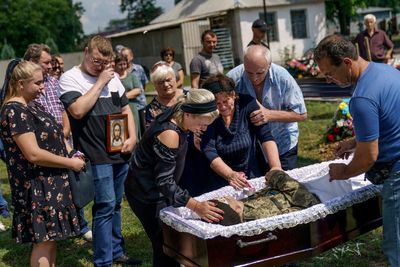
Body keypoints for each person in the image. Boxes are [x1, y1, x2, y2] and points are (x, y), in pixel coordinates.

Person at [314, 34, 400, 267]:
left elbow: (367, 158)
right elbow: (390, 118)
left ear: (347, 63)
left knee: (396, 244)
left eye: (330, 73)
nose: (329, 80)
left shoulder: (362, 98)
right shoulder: (386, 72)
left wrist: (342, 172)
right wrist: (356, 140)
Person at [59, 35, 140, 267]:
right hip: (95, 154)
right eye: (96, 61)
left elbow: (125, 109)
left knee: (115, 204)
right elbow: (77, 111)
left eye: (105, 63)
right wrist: (100, 82)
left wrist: (133, 137)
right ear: (86, 52)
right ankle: (103, 261)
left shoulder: (114, 79)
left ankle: (116, 251)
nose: (100, 67)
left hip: (120, 152)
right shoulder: (70, 78)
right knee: (104, 206)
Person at [124, 89, 224, 267]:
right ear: (188, 114)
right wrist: (196, 206)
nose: (204, 128)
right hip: (146, 193)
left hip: (155, 189)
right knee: (166, 247)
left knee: (172, 245)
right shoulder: (170, 134)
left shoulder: (179, 114)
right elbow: (164, 182)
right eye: (202, 123)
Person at [0, 60, 85, 266]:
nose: (43, 87)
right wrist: (69, 163)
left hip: (51, 184)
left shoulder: (31, 105)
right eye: (37, 83)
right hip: (37, 187)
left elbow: (55, 134)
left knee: (50, 239)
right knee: (44, 242)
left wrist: (71, 151)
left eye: (43, 82)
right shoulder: (15, 111)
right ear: (20, 84)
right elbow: (33, 154)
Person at [196, 74, 281, 193]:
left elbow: (265, 136)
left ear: (234, 95)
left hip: (252, 172)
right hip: (221, 179)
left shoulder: (247, 104)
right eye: (217, 103)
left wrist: (275, 167)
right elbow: (209, 151)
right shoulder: (208, 115)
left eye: (226, 101)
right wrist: (230, 175)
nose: (222, 107)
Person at [227, 45, 307, 170]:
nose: (254, 78)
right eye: (249, 72)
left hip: (283, 144)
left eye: (259, 73)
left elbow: (301, 114)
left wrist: (269, 115)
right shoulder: (233, 78)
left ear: (269, 65)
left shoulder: (282, 77)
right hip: (252, 147)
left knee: (284, 185)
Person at [212, 169, 321, 226]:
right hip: (317, 198)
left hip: (302, 192)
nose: (224, 196)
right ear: (237, 209)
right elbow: (308, 202)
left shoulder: (247, 208)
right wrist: (276, 176)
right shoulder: (257, 213)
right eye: (223, 200)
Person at [145, 61, 185, 128]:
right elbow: (151, 134)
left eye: (168, 80)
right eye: (161, 82)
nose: (166, 85)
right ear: (154, 85)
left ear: (175, 78)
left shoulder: (189, 97)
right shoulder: (151, 109)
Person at [114, 53, 143, 139]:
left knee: (134, 131)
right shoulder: (113, 77)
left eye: (124, 64)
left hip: (132, 107)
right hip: (118, 108)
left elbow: (138, 90)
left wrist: (123, 96)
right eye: (120, 64)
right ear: (115, 65)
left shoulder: (132, 76)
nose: (123, 66)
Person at [121, 47, 148, 136]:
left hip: (140, 104)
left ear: (131, 56)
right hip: (127, 106)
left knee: (144, 130)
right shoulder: (120, 71)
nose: (124, 58)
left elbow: (144, 84)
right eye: (122, 56)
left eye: (126, 56)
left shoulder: (139, 68)